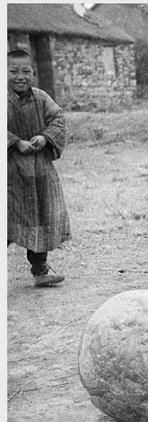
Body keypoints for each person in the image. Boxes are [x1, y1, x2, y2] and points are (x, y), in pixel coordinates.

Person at [7, 48, 70, 287]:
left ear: (33, 73)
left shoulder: (42, 97)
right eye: (13, 71)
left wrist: (44, 137)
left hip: (39, 171)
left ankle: (40, 269)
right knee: (8, 220)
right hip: (10, 173)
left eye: (26, 71)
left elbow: (58, 119)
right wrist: (15, 142)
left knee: (41, 218)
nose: (20, 76)